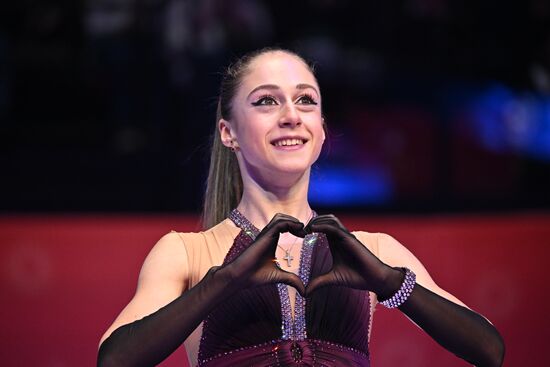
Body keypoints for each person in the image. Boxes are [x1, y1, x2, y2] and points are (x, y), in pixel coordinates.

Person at [97, 48, 505, 367]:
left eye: (305, 100)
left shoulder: (373, 250)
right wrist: (225, 281)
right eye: (266, 102)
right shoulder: (185, 253)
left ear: (322, 131)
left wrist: (389, 282)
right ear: (229, 132)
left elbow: (488, 350)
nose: (291, 115)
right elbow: (115, 359)